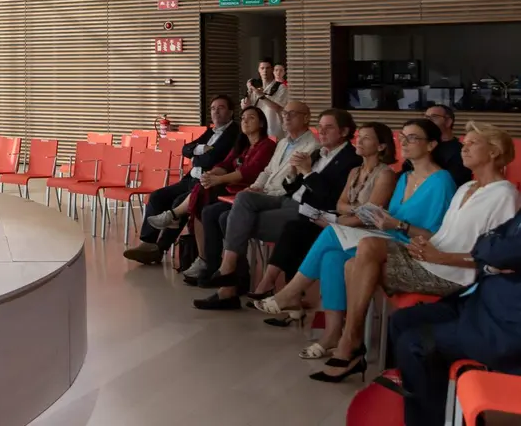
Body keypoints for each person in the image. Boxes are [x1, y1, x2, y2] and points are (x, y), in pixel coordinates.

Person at [314, 123, 519, 383]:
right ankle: (354, 344)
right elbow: (445, 237)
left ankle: (350, 343)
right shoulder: (466, 188)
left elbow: (500, 260)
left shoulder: (504, 195)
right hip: (433, 261)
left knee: (364, 250)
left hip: (457, 275)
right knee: (352, 264)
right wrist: (425, 246)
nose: (463, 148)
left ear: (493, 152)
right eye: (464, 143)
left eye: (472, 144)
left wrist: (439, 256)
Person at [252, 118, 457, 358]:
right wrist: (384, 220)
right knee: (331, 257)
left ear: (431, 145)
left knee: (329, 232)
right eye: (402, 137)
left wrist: (396, 223)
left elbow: (436, 235)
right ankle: (332, 334)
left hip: (410, 248)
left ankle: (291, 293)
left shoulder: (441, 181)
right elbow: (377, 214)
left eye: (412, 138)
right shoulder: (405, 177)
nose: (404, 142)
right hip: (384, 238)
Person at [191, 109, 361, 310]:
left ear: (344, 131)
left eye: (329, 127)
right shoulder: (318, 153)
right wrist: (292, 175)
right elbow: (291, 184)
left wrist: (306, 172)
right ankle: (229, 274)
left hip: (309, 211)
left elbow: (330, 198)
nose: (322, 132)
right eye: (321, 127)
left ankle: (229, 282)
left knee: (228, 219)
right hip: (288, 199)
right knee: (242, 199)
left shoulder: (351, 159)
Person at [250, 122, 398, 323]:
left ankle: (287, 293)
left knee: (307, 231)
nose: (359, 141)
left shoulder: (385, 174)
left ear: (381, 146)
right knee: (298, 229)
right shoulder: (355, 171)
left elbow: (371, 214)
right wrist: (346, 215)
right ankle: (295, 301)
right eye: (359, 136)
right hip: (345, 224)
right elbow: (341, 204)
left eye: (366, 138)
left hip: (367, 233)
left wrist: (342, 219)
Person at [389, 207, 521, 425]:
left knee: (413, 344)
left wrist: (494, 253)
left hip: (503, 327)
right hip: (478, 302)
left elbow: (499, 251)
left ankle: (430, 418)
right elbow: (484, 242)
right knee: (401, 320)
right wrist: (494, 255)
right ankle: (431, 402)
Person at [189, 101, 318, 287]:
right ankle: (234, 281)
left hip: (282, 196)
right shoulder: (282, 143)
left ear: (306, 118)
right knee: (223, 215)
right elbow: (266, 171)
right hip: (265, 193)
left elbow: (295, 183)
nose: (286, 117)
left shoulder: (311, 146)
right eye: (285, 114)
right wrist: (256, 186)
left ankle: (228, 271)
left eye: (293, 114)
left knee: (239, 202)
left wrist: (250, 188)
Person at [146, 107, 275, 267]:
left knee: (202, 192)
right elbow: (225, 163)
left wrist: (218, 179)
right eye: (243, 118)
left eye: (251, 118)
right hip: (231, 186)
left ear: (262, 123)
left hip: (248, 191)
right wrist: (212, 175)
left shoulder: (266, 145)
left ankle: (177, 221)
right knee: (202, 195)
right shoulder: (243, 145)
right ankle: (200, 256)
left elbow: (249, 172)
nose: (245, 121)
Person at [122, 96, 239, 269]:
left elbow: (212, 158)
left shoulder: (234, 133)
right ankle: (147, 243)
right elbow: (186, 149)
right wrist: (199, 150)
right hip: (191, 178)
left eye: (221, 108)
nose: (216, 111)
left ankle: (159, 250)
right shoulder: (210, 131)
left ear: (230, 112)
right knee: (157, 196)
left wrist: (197, 155)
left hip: (209, 183)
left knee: (179, 203)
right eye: (213, 108)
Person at [403, 104, 471, 189]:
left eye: (433, 117)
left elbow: (455, 184)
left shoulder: (459, 151)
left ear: (448, 122)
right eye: (426, 117)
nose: (428, 121)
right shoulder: (420, 145)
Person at [243, 59, 289, 139]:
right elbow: (246, 108)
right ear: (258, 70)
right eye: (262, 68)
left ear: (272, 70)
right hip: (256, 132)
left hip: (274, 131)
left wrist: (262, 96)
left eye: (267, 68)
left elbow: (278, 108)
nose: (265, 71)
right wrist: (249, 91)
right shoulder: (255, 87)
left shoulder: (280, 87)